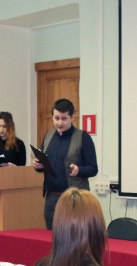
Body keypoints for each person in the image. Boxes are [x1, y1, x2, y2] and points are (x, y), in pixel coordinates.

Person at [32, 98, 98, 230]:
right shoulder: (49, 135)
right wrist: (38, 165)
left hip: (74, 199)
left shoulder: (82, 137)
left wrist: (79, 170)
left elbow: (93, 169)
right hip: (51, 197)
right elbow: (45, 163)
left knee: (73, 235)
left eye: (64, 118)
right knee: (51, 236)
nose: (59, 122)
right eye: (56, 118)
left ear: (72, 117)